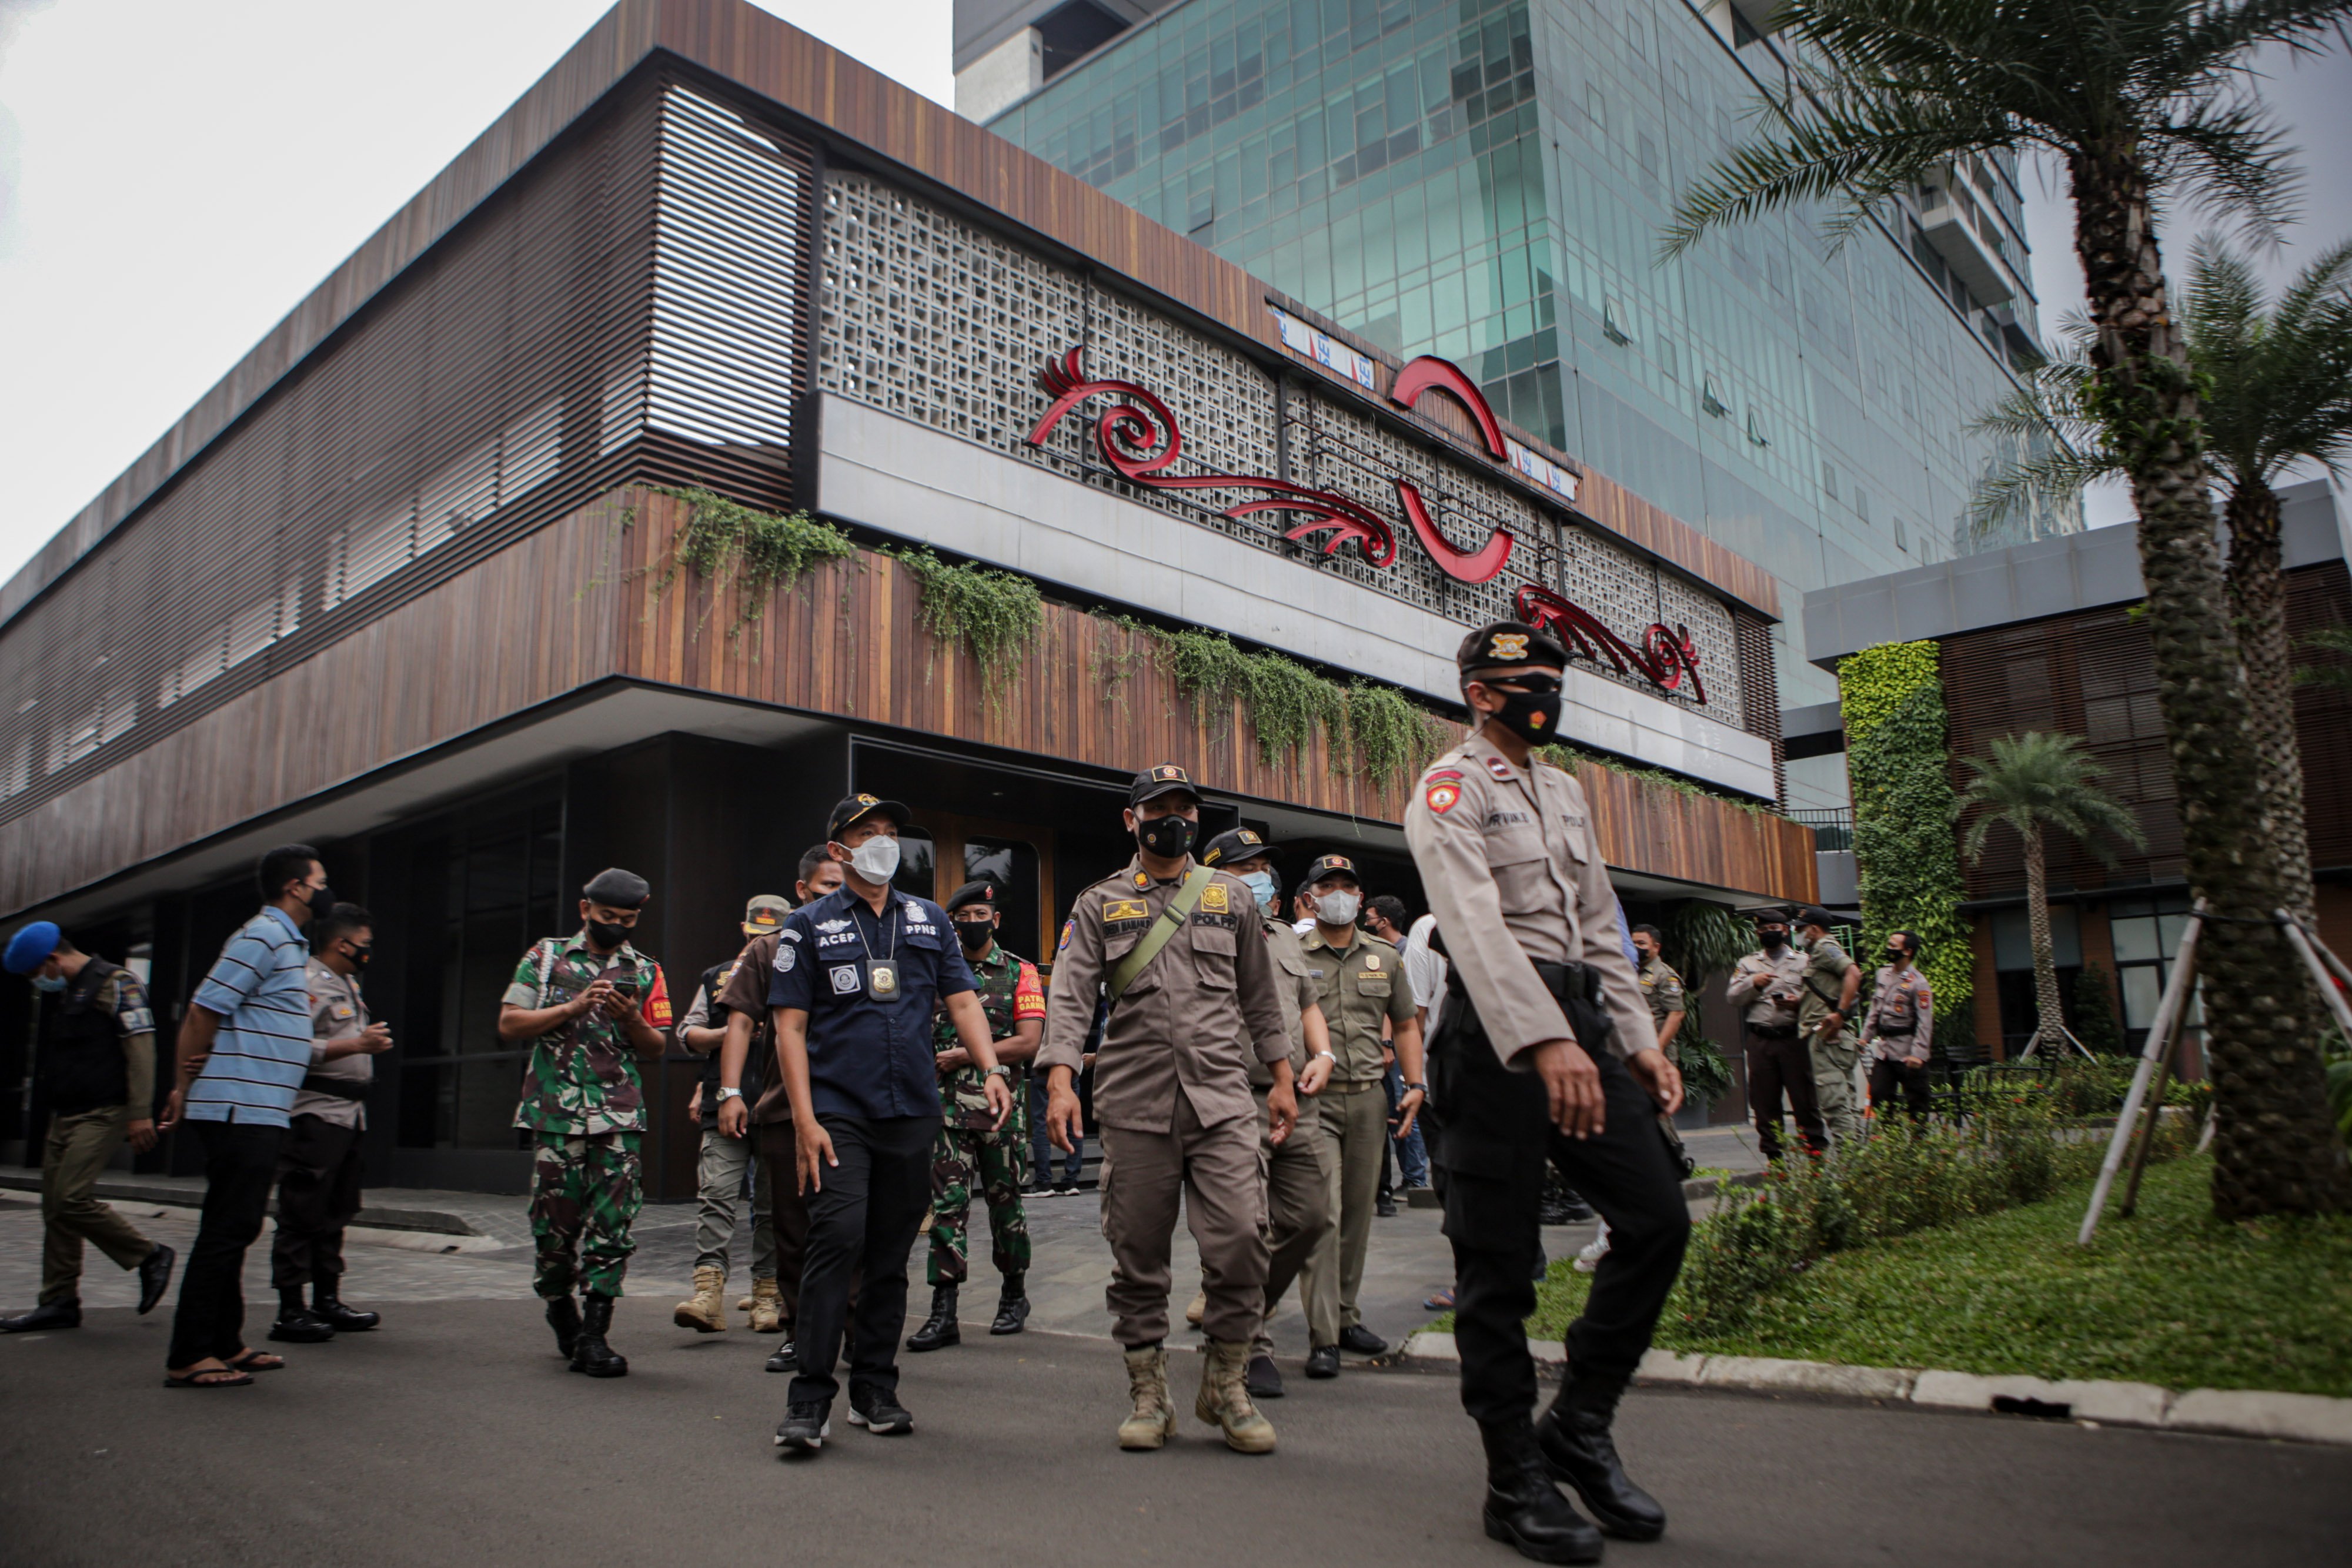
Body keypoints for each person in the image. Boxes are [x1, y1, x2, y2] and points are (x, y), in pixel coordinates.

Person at [1405, 621, 1689, 1563]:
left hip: (1586, 1030)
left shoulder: (1566, 791)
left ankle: (1579, 1422)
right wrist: (1546, 1038)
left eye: (1555, 679)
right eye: (1529, 679)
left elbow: (1599, 924)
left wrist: (1637, 1039)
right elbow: (1474, 925)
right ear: (1481, 692)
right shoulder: (1450, 786)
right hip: (1496, 1040)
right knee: (1500, 1266)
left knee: (1656, 1219)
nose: (1547, 693)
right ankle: (1511, 1477)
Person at [1039, 764, 1297, 1455]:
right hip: (1134, 1103)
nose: (1172, 818)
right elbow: (1069, 996)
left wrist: (1280, 1077)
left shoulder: (1233, 899)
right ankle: (1149, 1393)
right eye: (1158, 808)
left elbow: (1260, 997)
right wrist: (1060, 1080)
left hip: (1222, 1099)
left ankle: (1227, 1380)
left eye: (1184, 807)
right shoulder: (1099, 904)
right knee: (1138, 1254)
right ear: (1132, 820)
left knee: (1244, 1238)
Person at [767, 795, 1012, 1454]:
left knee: (888, 1256)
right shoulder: (806, 925)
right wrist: (804, 1119)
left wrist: (991, 1068)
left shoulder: (929, 920)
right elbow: (788, 1027)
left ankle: (874, 1387)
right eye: (866, 833)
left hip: (913, 1111)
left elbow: (961, 999)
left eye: (890, 833)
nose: (883, 843)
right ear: (838, 850)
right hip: (839, 1112)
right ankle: (809, 1399)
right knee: (836, 1240)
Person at [156, 844, 335, 1388]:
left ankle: (226, 1342)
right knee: (226, 1229)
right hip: (241, 1105)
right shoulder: (262, 935)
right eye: (321, 881)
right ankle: (189, 1354)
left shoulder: (286, 943)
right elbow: (204, 1006)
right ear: (296, 887)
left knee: (238, 1225)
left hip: (262, 1105)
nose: (327, 890)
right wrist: (182, 1087)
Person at [499, 867, 673, 1378]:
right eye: (608, 917)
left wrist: (631, 1018)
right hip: (555, 1116)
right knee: (553, 1231)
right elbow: (509, 1022)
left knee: (613, 1227)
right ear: (585, 910)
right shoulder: (547, 957)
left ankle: (595, 1335)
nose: (618, 925)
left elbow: (659, 1045)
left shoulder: (644, 969)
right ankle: (560, 1309)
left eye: (628, 919)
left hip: (618, 1115)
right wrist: (572, 1006)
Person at [1200, 826, 1335, 1400]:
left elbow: (1307, 1005)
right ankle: (1249, 1343)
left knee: (1311, 1217)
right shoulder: (1200, 933)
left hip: (1296, 1096)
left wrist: (1323, 1054)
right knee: (1244, 1228)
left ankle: (1237, 1309)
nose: (1259, 876)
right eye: (1244, 866)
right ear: (1214, 878)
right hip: (1231, 1097)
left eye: (1262, 866)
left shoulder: (1283, 936)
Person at [0, 923, 174, 1334]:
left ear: (52, 960)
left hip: (103, 1110)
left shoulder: (117, 983)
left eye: (35, 974)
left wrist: (139, 1112)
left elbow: (141, 1047)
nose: (37, 983)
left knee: (72, 1197)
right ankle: (59, 1300)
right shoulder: (71, 992)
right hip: (67, 1112)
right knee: (55, 1207)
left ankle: (149, 1254)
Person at [1296, 854, 1423, 1380]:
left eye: (1348, 885)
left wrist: (1415, 1085)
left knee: (1357, 1214)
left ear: (1361, 897)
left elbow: (1407, 1023)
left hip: (1371, 1098)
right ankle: (1323, 1335)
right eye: (1328, 884)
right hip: (1314, 1100)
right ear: (1310, 896)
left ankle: (1347, 1316)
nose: (1340, 893)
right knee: (1322, 1215)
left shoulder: (1386, 957)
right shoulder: (1291, 952)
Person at [717, 848, 843, 1373]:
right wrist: (729, 1091)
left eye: (842, 886)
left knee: (851, 1230)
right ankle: (800, 1331)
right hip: (785, 1108)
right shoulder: (770, 949)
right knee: (792, 1229)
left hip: (851, 1107)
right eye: (824, 887)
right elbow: (740, 1023)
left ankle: (856, 1332)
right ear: (802, 889)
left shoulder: (871, 942)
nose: (834, 897)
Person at [906, 878, 1044, 1351]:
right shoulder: (937, 972)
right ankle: (944, 1310)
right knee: (947, 1211)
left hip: (1001, 1111)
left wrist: (964, 1055)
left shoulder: (1021, 972)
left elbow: (1028, 1043)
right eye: (962, 918)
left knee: (1007, 1207)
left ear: (996, 920)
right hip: (946, 1114)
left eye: (980, 917)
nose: (971, 925)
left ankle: (1014, 1295)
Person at [268, 903, 393, 1343]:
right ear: (343, 943)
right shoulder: (307, 982)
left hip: (348, 1115)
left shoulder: (348, 983)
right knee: (302, 1209)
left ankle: (327, 1299)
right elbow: (292, 1047)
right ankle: (290, 1308)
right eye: (365, 944)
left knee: (337, 1209)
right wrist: (359, 1043)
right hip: (315, 1113)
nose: (368, 951)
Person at [674, 895, 791, 1336]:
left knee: (770, 1204)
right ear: (744, 931)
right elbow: (688, 1033)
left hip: (774, 1105)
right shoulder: (717, 976)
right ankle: (708, 1293)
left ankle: (766, 1293)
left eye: (769, 936)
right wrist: (727, 1035)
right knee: (716, 1194)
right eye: (754, 934)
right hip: (724, 1104)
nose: (758, 943)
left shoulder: (798, 971)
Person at [1725, 911, 1824, 1162]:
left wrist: (1799, 1002)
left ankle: (1815, 1158)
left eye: (1775, 927)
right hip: (1761, 1042)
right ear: (1758, 933)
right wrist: (1754, 983)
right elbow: (1733, 997)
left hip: (1794, 1040)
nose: (1770, 932)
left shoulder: (1803, 961)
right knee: (1764, 1103)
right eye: (1764, 929)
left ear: (1784, 930)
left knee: (1804, 1100)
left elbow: (1820, 997)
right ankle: (1775, 1160)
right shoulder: (1748, 964)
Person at [1365, 894, 1431, 1195]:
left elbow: (1401, 1008)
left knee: (1405, 1108)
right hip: (1394, 1042)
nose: (1367, 924)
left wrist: (1388, 1044)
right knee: (1395, 1108)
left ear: (1385, 922)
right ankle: (1411, 1175)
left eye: (1370, 919)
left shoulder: (1402, 952)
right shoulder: (1393, 950)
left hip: (1399, 1044)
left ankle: (1416, 1178)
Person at [1793, 907, 1864, 1153]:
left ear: (1814, 929)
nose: (1798, 933)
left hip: (1828, 1036)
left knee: (1835, 1105)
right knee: (1846, 1103)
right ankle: (1860, 1165)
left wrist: (1840, 1014)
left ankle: (1851, 1168)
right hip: (1832, 1037)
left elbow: (1854, 973)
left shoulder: (1826, 947)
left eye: (1801, 929)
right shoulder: (1818, 952)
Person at [1860, 931, 1935, 1123]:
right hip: (1885, 1050)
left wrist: (1919, 1054)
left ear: (1908, 951)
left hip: (1908, 1051)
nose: (1889, 949)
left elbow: (1925, 1022)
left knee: (1917, 1104)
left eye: (1894, 946)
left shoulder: (1919, 983)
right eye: (1889, 944)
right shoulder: (1883, 974)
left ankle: (1919, 1146)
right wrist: (1865, 1036)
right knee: (1879, 1094)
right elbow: (1876, 1008)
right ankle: (1890, 1142)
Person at [1026, 991, 1095, 1195]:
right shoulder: (1072, 994)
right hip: (1069, 1065)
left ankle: (1044, 1182)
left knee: (1040, 1123)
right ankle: (1071, 1181)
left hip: (1044, 1064)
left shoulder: (1037, 994)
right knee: (1074, 1123)